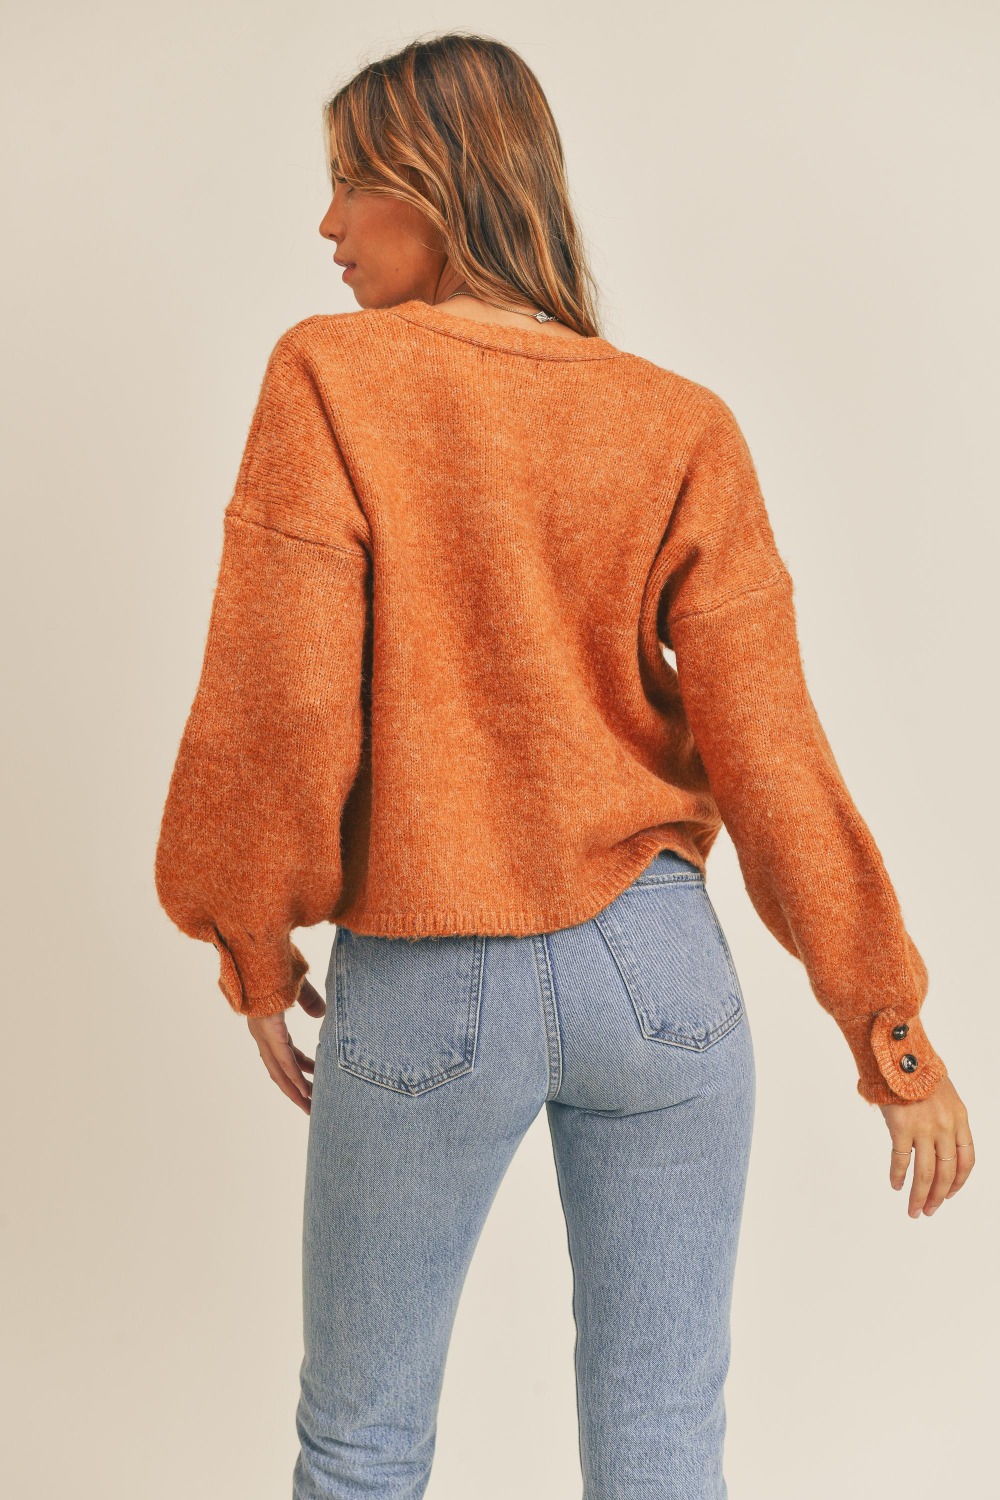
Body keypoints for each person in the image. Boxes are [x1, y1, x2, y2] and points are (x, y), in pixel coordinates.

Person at [153, 30, 974, 1500]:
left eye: (352, 181)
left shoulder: (332, 375)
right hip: (662, 974)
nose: (327, 224)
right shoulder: (678, 421)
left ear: (442, 183)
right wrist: (887, 1028)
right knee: (663, 1446)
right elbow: (773, 750)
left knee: (361, 1445)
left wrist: (251, 939)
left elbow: (280, 702)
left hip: (430, 961)